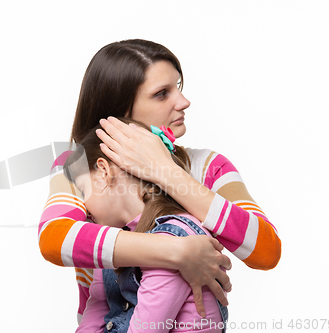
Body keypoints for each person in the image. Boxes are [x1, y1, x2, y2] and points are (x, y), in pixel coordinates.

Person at [38, 39, 281, 320]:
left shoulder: (210, 166)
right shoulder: (81, 168)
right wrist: (178, 251)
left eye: (177, 87)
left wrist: (164, 170)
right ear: (121, 113)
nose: (183, 101)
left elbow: (266, 251)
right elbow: (54, 239)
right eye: (161, 93)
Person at [64, 118, 228, 333]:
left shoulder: (176, 237)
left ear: (104, 171)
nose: (83, 209)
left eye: (83, 191)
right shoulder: (115, 240)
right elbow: (95, 312)